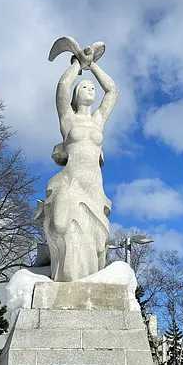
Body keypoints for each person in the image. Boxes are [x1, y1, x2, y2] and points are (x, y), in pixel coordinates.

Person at [38, 42, 118, 281]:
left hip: (93, 185)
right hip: (70, 182)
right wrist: (77, 65)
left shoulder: (98, 120)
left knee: (98, 242)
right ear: (76, 94)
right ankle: (61, 275)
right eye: (84, 86)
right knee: (60, 226)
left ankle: (84, 280)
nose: (90, 88)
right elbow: (62, 86)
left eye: (92, 87)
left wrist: (92, 65)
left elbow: (112, 91)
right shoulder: (68, 120)